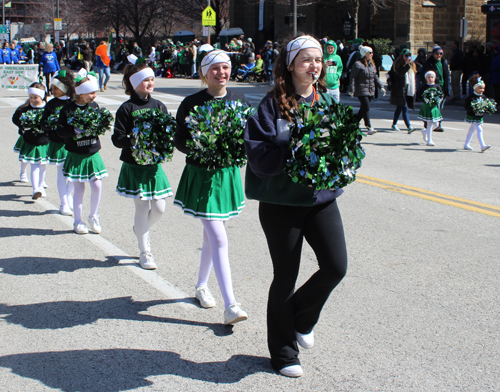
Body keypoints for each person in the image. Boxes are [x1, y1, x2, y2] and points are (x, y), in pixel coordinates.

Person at [244, 35, 348, 378]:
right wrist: (294, 151)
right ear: (290, 65)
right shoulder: (271, 106)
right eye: (306, 59)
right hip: (280, 203)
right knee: (285, 277)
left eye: (318, 60)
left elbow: (339, 150)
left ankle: (302, 318)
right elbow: (258, 157)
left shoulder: (328, 102)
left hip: (319, 200)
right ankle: (283, 352)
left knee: (336, 267)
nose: (314, 66)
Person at [174, 50, 248, 325]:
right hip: (202, 175)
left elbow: (248, 134)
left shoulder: (239, 99)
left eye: (225, 68)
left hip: (227, 174)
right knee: (218, 237)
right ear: (205, 73)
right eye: (215, 68)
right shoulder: (191, 102)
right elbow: (179, 139)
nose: (221, 73)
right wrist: (203, 146)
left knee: (211, 235)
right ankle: (231, 304)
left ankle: (201, 286)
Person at [112, 58, 172, 270]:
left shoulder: (159, 105)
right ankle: (144, 252)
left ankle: (140, 229)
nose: (150, 83)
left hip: (154, 167)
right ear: (134, 82)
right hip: (134, 166)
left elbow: (168, 132)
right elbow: (117, 138)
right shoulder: (126, 108)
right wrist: (136, 141)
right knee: (141, 207)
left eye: (152, 79)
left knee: (160, 208)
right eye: (145, 80)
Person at [56, 71, 107, 234]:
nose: (94, 96)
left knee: (97, 185)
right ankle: (78, 221)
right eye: (91, 93)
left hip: (92, 152)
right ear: (80, 93)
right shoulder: (67, 109)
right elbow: (60, 131)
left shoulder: (94, 106)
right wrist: (74, 130)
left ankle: (93, 215)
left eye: (95, 92)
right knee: (79, 189)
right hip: (76, 154)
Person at [40, 70, 75, 215]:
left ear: (64, 88)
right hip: (58, 143)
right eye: (52, 88)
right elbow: (43, 122)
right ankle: (64, 203)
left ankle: (69, 194)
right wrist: (50, 125)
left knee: (73, 174)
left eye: (55, 88)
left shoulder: (73, 101)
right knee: (61, 173)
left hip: (72, 143)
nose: (52, 91)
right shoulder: (51, 104)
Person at [12, 83, 49, 199]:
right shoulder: (25, 109)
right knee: (34, 165)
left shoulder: (48, 109)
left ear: (42, 96)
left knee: (43, 166)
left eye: (35, 97)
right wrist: (23, 126)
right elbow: (15, 119)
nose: (32, 99)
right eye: (31, 97)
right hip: (31, 141)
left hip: (45, 142)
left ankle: (41, 185)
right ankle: (35, 189)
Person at [349, 45, 385, 135]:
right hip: (361, 89)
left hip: (370, 89)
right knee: (366, 107)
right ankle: (369, 127)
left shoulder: (371, 64)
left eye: (372, 53)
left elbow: (375, 77)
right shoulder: (358, 64)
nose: (372, 54)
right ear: (365, 54)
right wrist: (352, 89)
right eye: (370, 53)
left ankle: (353, 124)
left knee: (363, 109)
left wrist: (381, 87)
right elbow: (353, 77)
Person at [421, 46, 449, 131]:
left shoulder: (444, 62)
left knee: (438, 107)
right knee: (432, 107)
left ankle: (436, 123)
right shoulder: (428, 63)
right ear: (433, 54)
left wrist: (447, 88)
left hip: (441, 87)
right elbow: (424, 75)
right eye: (437, 53)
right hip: (432, 88)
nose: (439, 55)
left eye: (441, 53)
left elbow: (447, 75)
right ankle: (432, 123)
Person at [390, 49, 416, 133]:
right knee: (404, 107)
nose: (408, 57)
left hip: (407, 89)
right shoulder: (398, 64)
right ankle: (409, 126)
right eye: (406, 55)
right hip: (399, 89)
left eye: (409, 55)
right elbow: (400, 73)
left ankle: (394, 124)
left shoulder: (411, 65)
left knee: (399, 107)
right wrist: (407, 65)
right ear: (402, 56)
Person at [463, 76, 491, 152]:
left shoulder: (483, 97)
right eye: (480, 88)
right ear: (475, 88)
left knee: (472, 130)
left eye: (483, 88)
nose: (482, 90)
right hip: (473, 116)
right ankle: (482, 145)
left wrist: (488, 108)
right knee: (479, 129)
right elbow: (466, 106)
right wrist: (473, 109)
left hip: (479, 116)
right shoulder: (471, 98)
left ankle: (466, 144)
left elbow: (486, 105)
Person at [416, 71, 443, 147]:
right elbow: (419, 96)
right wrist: (425, 100)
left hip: (434, 107)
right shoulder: (424, 87)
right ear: (426, 78)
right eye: (428, 77)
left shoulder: (437, 86)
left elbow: (441, 95)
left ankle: (425, 132)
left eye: (432, 77)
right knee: (430, 123)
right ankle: (429, 140)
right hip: (427, 107)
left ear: (434, 78)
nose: (430, 79)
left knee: (436, 124)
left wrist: (437, 100)